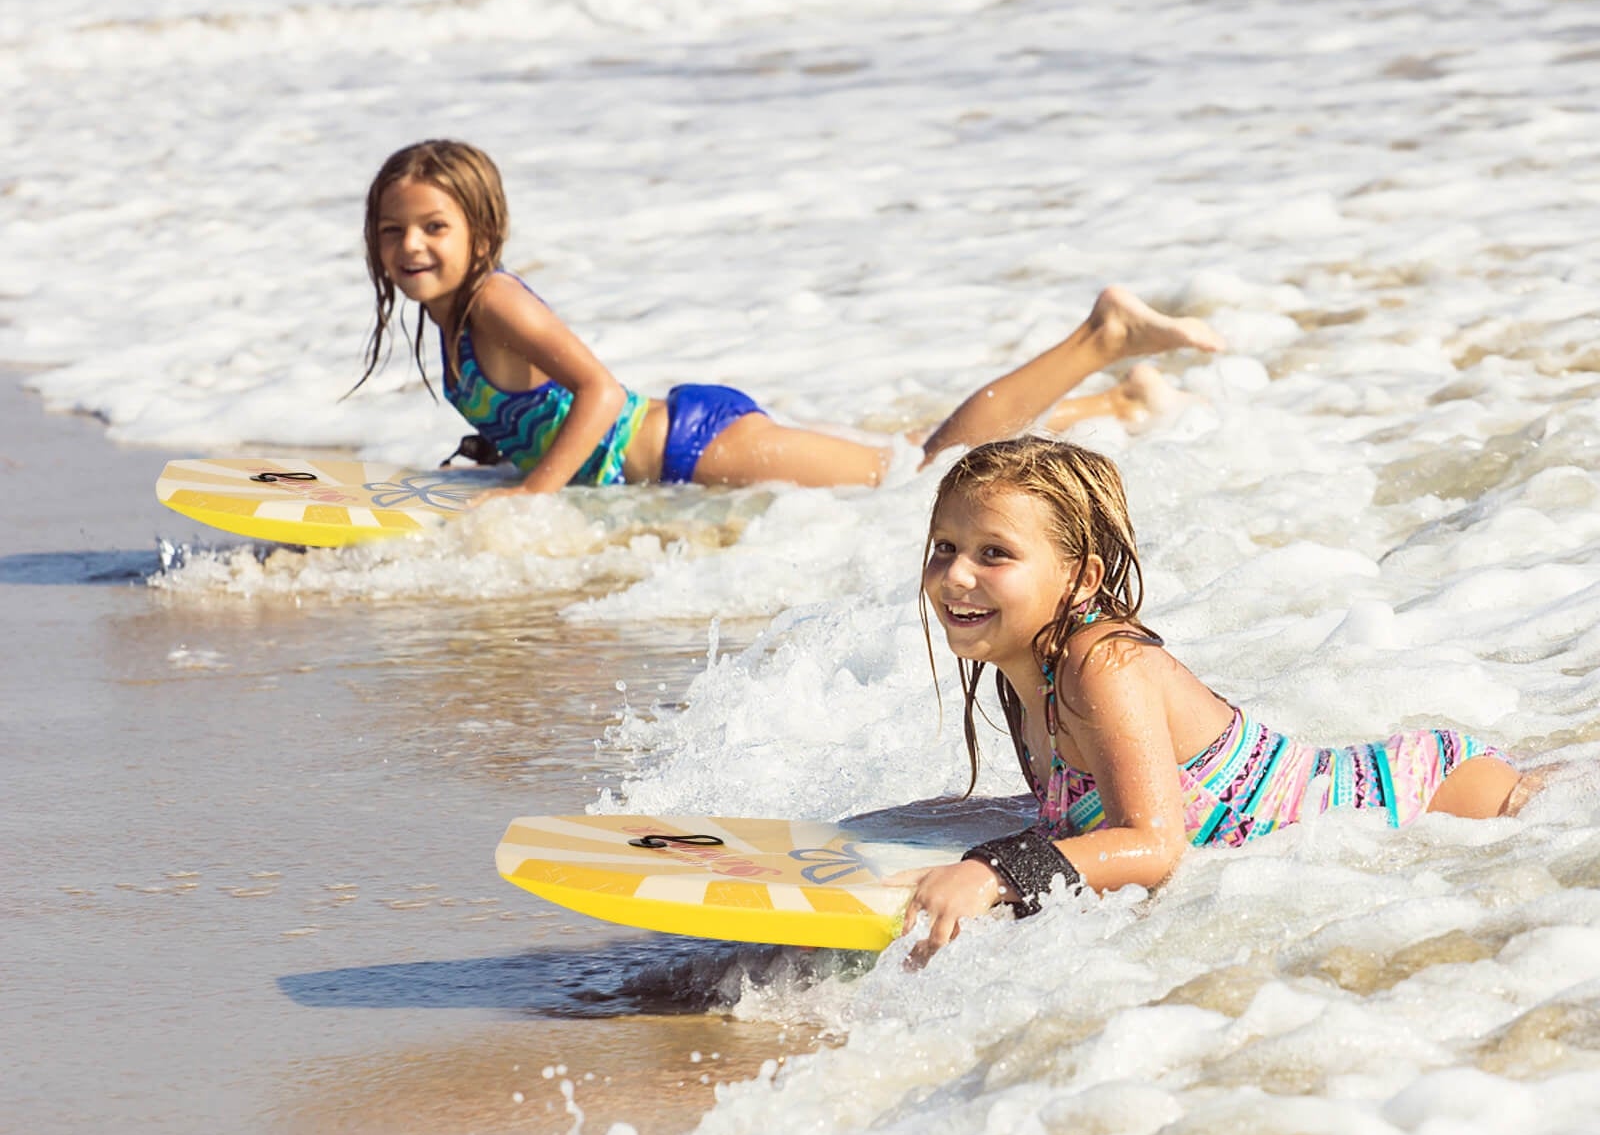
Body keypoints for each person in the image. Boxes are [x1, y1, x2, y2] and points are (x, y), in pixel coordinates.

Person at [893, 436, 1526, 961]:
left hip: (1423, 798)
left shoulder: (1102, 663)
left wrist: (994, 872)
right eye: (945, 547)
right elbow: (1094, 811)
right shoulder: (1028, 665)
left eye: (993, 553)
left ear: (1080, 578)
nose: (955, 574)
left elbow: (1154, 844)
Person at [354, 140, 1224, 492]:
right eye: (394, 231)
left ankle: (1103, 337)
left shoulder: (495, 299)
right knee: (908, 455)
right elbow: (540, 407)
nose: (412, 246)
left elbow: (597, 391)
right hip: (686, 447)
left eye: (434, 227)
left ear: (482, 232)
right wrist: (506, 447)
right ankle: (1117, 407)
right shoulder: (451, 313)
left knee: (919, 476)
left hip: (698, 446)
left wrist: (533, 498)